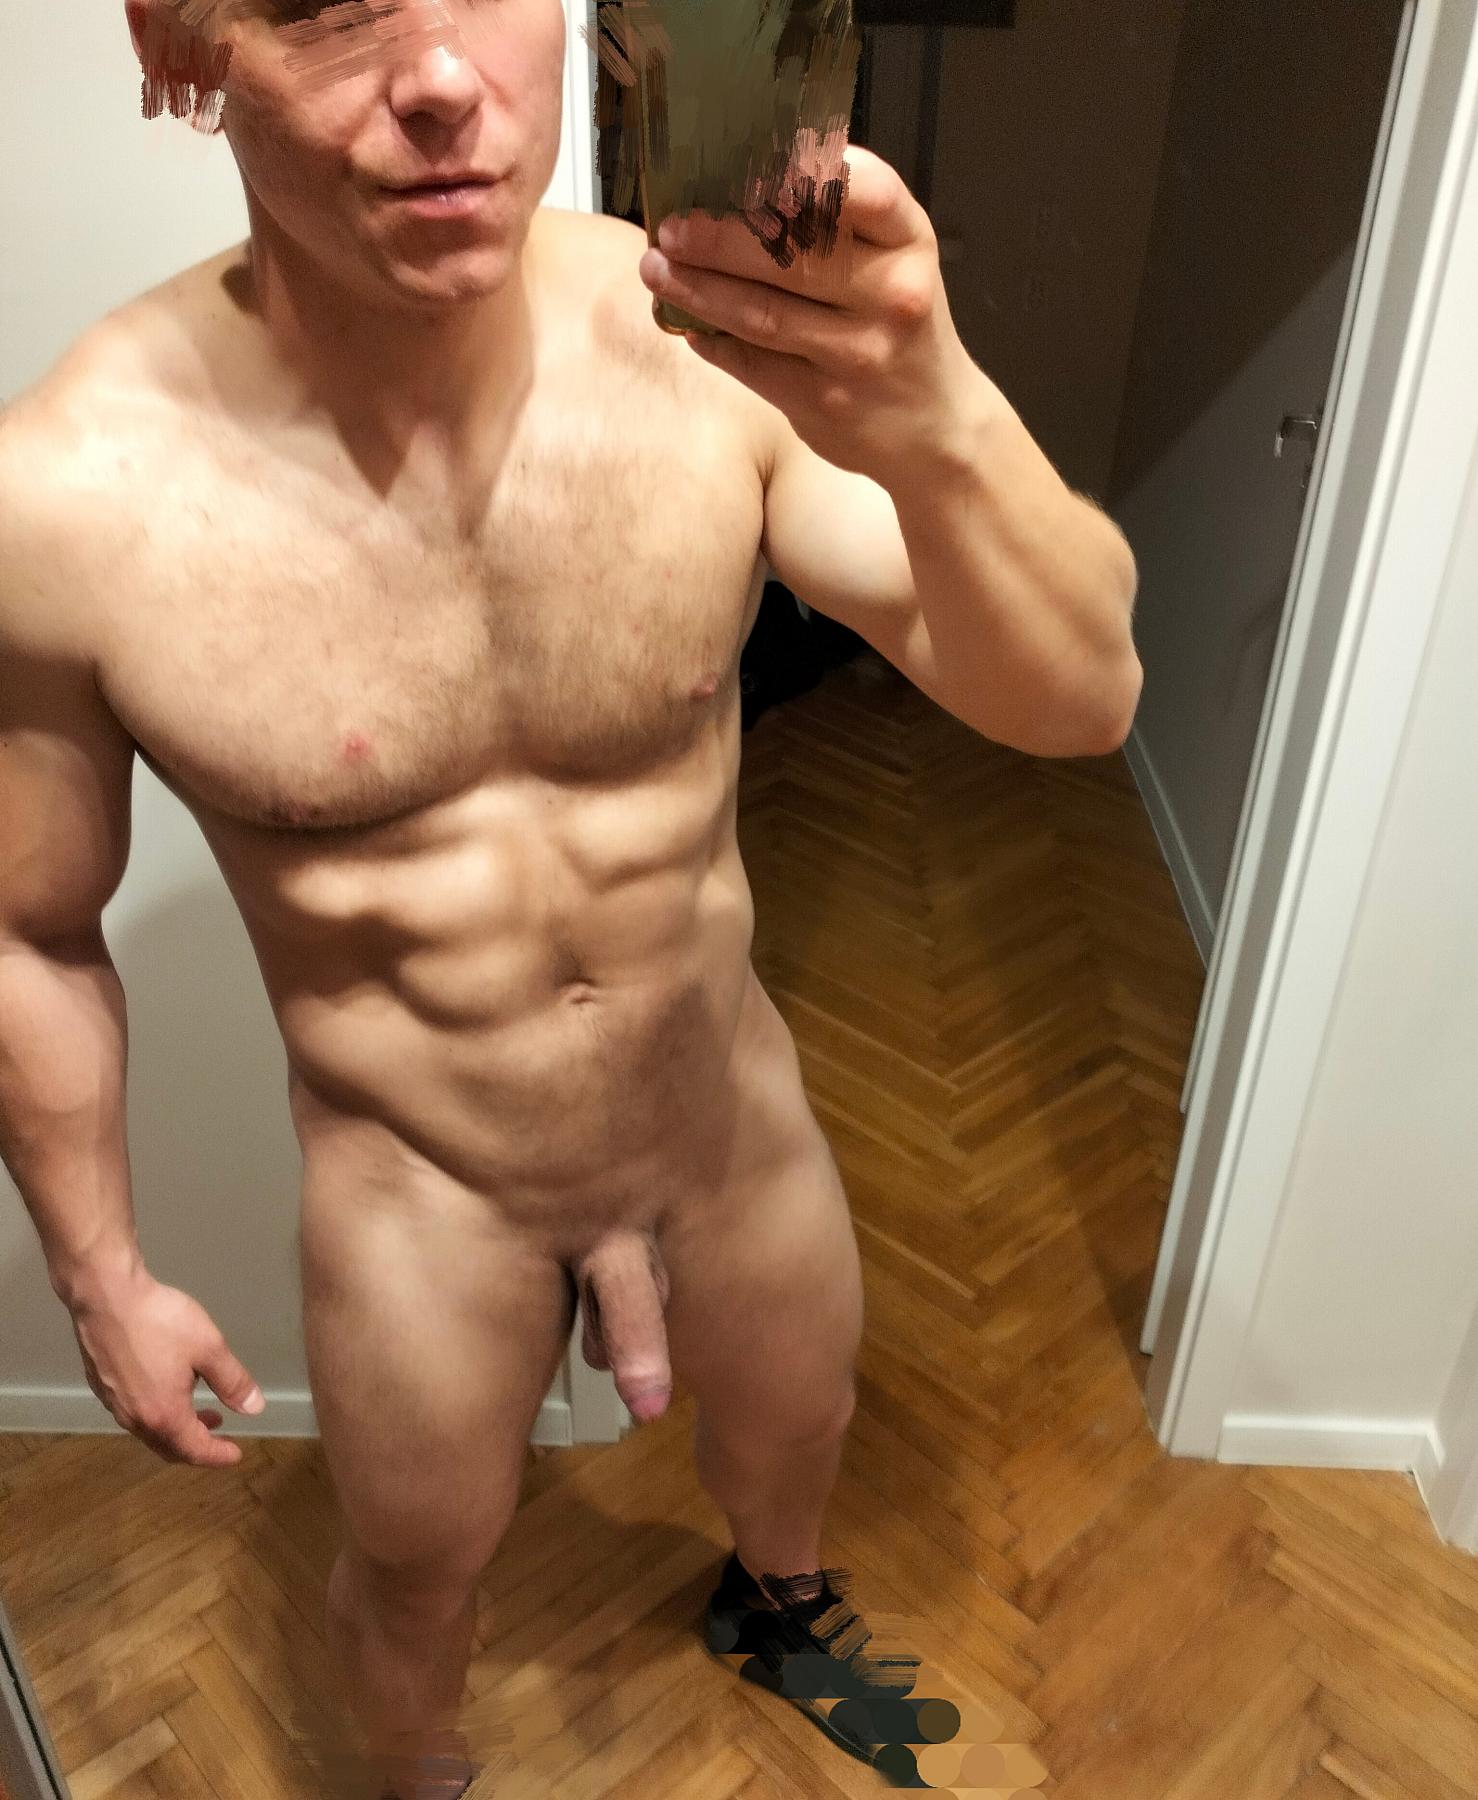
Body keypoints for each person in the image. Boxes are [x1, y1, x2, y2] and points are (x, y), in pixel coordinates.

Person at [0, 2, 1141, 1792]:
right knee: (415, 1570)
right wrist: (104, 1279)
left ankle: (772, 1606)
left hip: (721, 1114)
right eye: (326, 7)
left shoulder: (713, 340)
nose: (443, 79)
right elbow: (28, 927)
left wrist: (942, 425)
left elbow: (1079, 703)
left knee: (798, 1438)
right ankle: (420, 1773)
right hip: (423, 1195)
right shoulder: (64, 500)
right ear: (189, 49)